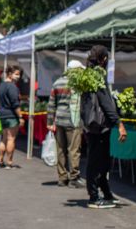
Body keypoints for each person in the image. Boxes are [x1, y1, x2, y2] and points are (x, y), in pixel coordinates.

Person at [81, 45, 127, 209]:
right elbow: (106, 104)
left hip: (91, 125)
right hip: (99, 126)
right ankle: (93, 196)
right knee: (96, 161)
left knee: (101, 161)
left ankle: (106, 193)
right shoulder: (97, 77)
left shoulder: (87, 75)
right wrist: (119, 123)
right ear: (104, 59)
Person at [47, 60, 86, 188]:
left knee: (61, 150)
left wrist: (49, 121)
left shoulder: (57, 83)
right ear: (75, 70)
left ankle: (62, 178)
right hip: (73, 121)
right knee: (74, 150)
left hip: (59, 121)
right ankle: (74, 177)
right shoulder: (78, 84)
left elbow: (51, 104)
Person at [0, 65, 24, 169]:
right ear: (10, 74)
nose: (18, 76)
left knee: (4, 138)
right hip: (11, 115)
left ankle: (0, 161)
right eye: (16, 74)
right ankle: (9, 162)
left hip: (3, 114)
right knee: (11, 139)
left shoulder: (2, 85)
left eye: (19, 74)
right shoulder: (12, 86)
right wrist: (20, 116)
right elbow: (15, 103)